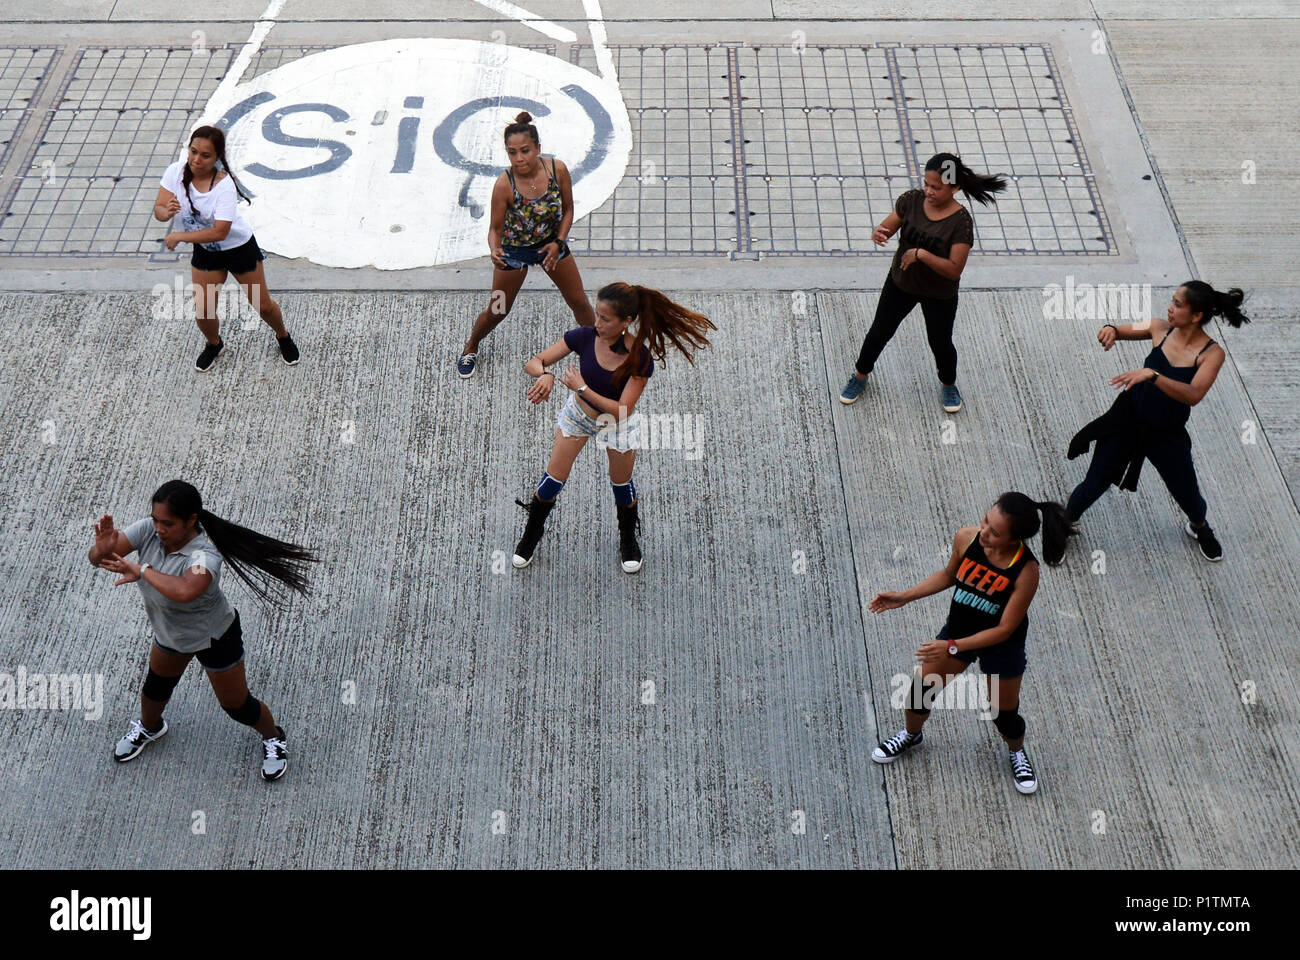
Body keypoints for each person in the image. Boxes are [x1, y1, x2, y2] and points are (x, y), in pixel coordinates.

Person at [90, 480, 317, 780]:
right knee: (154, 691)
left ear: (191, 521)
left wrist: (141, 570)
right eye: (156, 519)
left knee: (237, 706)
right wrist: (101, 548)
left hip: (214, 638)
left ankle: (273, 737)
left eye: (168, 523)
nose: (159, 528)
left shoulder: (204, 555)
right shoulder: (148, 529)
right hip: (171, 634)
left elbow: (186, 591)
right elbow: (100, 559)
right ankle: (150, 728)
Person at [868, 493, 1075, 794]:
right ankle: (912, 736)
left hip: (1000, 645)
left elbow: (1005, 629)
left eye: (995, 532)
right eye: (986, 521)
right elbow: (949, 575)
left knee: (1003, 715)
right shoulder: (967, 538)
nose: (985, 532)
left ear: (1015, 539)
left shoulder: (1026, 571)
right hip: (959, 629)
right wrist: (904, 596)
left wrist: (952, 647)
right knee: (919, 693)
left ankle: (1017, 752)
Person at [511, 282, 714, 573]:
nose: (597, 324)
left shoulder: (639, 358)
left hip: (615, 424)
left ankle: (628, 538)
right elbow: (535, 362)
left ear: (626, 322)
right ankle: (532, 533)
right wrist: (546, 375)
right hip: (578, 418)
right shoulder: (584, 337)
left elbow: (622, 410)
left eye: (605, 319)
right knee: (552, 480)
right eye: (596, 315)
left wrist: (581, 388)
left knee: (621, 485)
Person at [1063, 282, 1249, 563]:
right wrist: (1111, 329)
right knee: (1094, 483)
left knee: (1187, 493)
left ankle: (1200, 527)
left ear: (1196, 315)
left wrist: (1153, 376)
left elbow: (1194, 394)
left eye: (1177, 304)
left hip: (1166, 433)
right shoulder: (1159, 327)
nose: (1169, 308)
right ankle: (1063, 525)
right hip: (1126, 422)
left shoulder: (1211, 354)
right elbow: (1123, 329)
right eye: (1172, 301)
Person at [839, 153, 1006, 413]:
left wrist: (921, 254)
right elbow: (888, 226)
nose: (928, 191)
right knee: (879, 332)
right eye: (926, 183)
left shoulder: (960, 223)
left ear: (955, 188)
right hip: (901, 283)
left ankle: (948, 384)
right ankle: (860, 376)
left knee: (940, 342)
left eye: (936, 187)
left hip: (939, 293)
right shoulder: (911, 201)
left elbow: (954, 270)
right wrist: (878, 232)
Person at [457, 111, 594, 378]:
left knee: (579, 301)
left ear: (538, 148)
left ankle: (602, 347)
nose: (519, 158)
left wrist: (558, 242)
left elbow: (568, 210)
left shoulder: (558, 170)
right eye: (512, 153)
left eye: (525, 151)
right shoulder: (504, 185)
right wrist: (494, 250)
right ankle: (471, 346)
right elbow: (495, 230)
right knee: (498, 309)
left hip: (551, 245)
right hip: (515, 252)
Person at [153, 125, 299, 372]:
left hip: (238, 249)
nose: (197, 160)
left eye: (205, 155)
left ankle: (282, 335)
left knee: (263, 306)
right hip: (207, 253)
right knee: (203, 309)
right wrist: (165, 212)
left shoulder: (224, 186)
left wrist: (180, 236)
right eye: (193, 151)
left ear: (217, 158)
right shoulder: (174, 173)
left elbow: (220, 231)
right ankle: (214, 343)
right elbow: (158, 209)